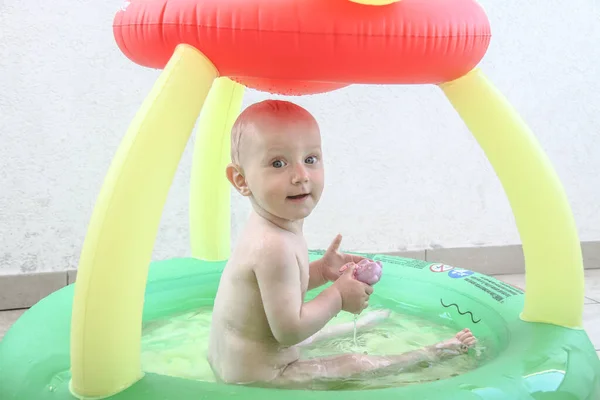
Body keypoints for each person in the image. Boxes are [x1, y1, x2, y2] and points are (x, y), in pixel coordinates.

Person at [207, 100, 476, 389]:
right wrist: (338, 295)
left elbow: (277, 290)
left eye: (310, 159)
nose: (301, 176)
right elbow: (289, 331)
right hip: (260, 376)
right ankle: (433, 353)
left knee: (314, 336)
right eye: (278, 163)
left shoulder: (270, 228)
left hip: (235, 361)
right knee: (353, 363)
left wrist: (322, 271)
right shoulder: (274, 246)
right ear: (241, 179)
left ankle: (362, 326)